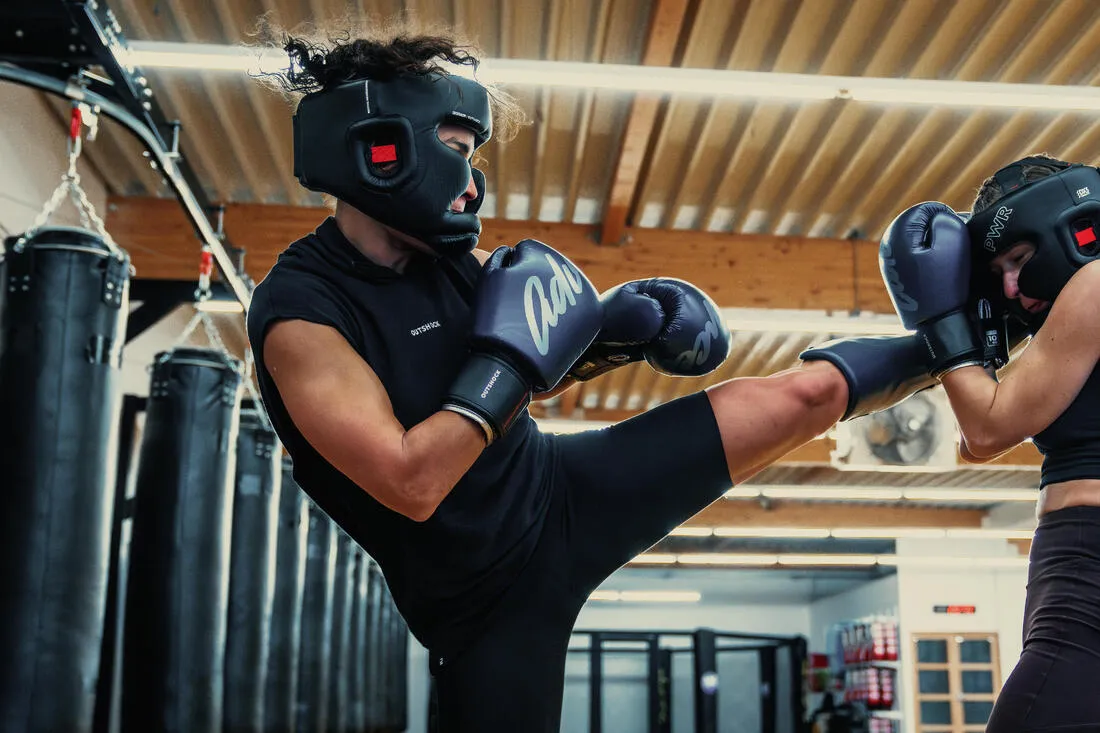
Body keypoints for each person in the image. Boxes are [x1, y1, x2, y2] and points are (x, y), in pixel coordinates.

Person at [246, 26, 943, 732]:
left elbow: (530, 367)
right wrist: (510, 361)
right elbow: (413, 482)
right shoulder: (301, 316)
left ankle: (968, 336)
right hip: (483, 600)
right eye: (455, 152)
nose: (472, 180)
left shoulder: (458, 262)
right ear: (382, 154)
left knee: (804, 395)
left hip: (564, 489)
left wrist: (616, 335)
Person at [877, 154, 1100, 732]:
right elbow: (975, 447)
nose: (1010, 286)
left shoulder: (1096, 284)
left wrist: (943, 326)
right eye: (997, 271)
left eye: (1020, 261)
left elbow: (988, 428)